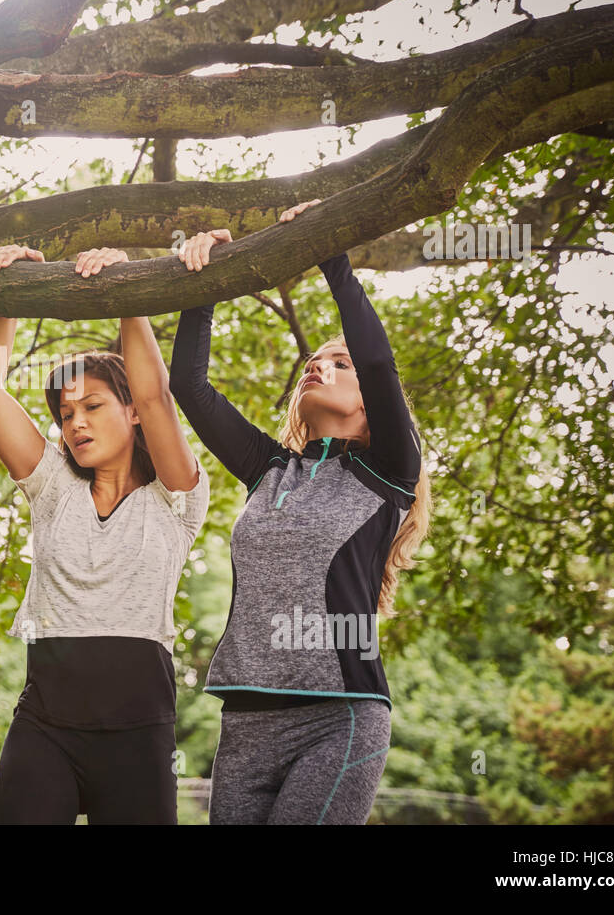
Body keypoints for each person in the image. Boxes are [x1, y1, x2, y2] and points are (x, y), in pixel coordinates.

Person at [168, 198, 431, 825]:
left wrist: (329, 251)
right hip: (244, 720)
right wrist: (205, 283)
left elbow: (376, 360)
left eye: (339, 365)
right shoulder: (270, 469)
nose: (320, 364)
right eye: (316, 361)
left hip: (337, 718)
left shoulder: (387, 471)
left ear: (374, 406)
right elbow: (190, 387)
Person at [0, 239, 211, 824]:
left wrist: (129, 295)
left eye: (93, 406)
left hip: (138, 738)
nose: (76, 422)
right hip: (45, 730)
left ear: (131, 412)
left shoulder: (174, 498)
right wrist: (9, 295)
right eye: (65, 414)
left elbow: (158, 394)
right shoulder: (55, 489)